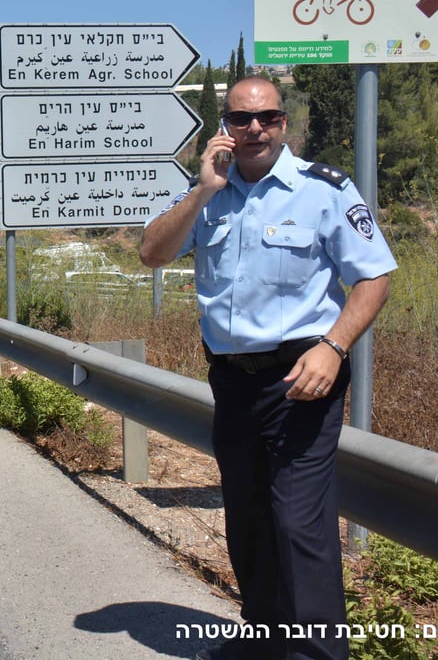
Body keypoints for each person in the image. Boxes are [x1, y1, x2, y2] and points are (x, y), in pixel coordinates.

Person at [139, 76, 396, 660]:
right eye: (241, 119)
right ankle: (261, 639)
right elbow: (152, 252)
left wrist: (333, 347)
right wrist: (203, 191)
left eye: (268, 118)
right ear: (223, 127)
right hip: (232, 382)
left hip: (304, 379)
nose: (255, 128)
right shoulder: (207, 193)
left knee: (298, 525)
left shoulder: (323, 190)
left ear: (285, 125)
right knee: (249, 518)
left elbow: (374, 276)